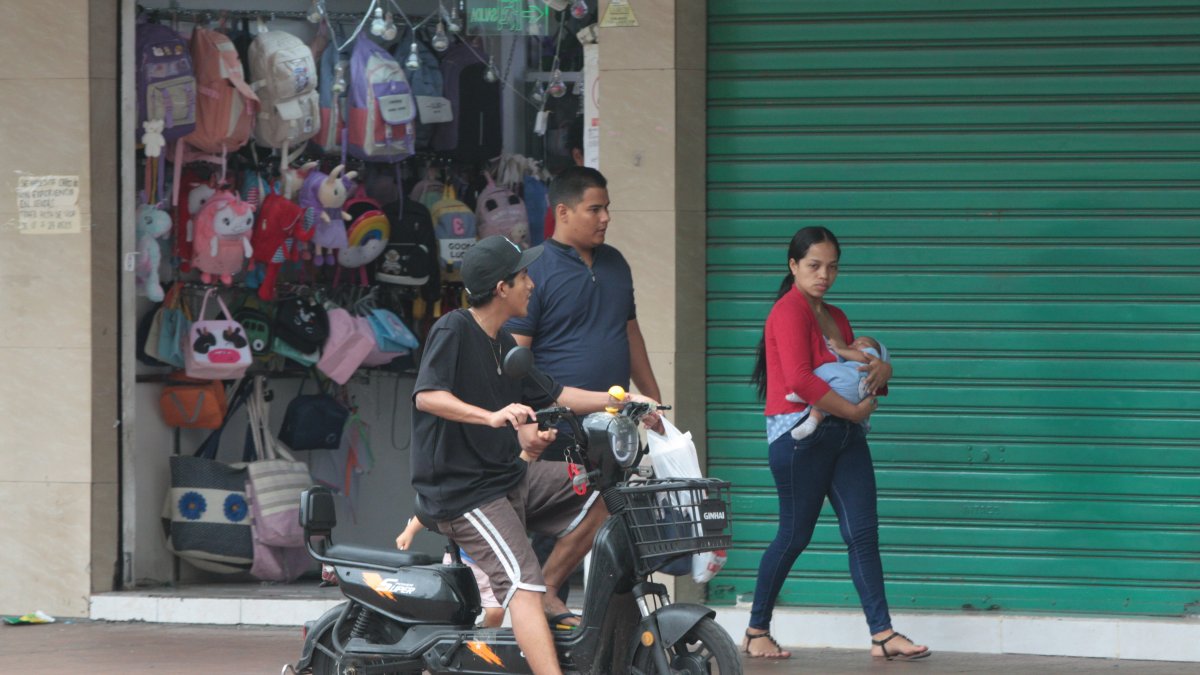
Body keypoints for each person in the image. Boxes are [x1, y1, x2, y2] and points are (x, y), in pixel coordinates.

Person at [410, 235, 659, 675]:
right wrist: (489, 416)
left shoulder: (504, 342)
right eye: (524, 276)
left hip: (506, 477)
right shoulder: (454, 328)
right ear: (502, 287)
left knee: (605, 494)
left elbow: (558, 393)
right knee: (522, 582)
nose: (532, 285)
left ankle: (551, 592)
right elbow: (428, 396)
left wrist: (621, 401)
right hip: (464, 492)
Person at [745, 226, 930, 662]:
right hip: (800, 438)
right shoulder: (788, 312)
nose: (823, 274)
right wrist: (856, 412)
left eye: (831, 266)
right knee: (793, 535)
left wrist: (883, 374)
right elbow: (799, 380)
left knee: (863, 533)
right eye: (813, 265)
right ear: (793, 267)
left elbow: (855, 379)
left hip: (845, 435)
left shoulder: (838, 316)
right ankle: (756, 630)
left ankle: (882, 635)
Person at [507, 165, 662, 601]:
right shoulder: (535, 268)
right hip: (553, 426)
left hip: (611, 430)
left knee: (603, 517)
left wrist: (653, 394)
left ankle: (558, 609)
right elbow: (515, 354)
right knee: (547, 530)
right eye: (595, 209)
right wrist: (523, 422)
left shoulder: (615, 264)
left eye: (607, 208)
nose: (605, 218)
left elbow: (629, 331)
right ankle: (534, 611)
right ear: (563, 212)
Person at [395, 516, 504, 628]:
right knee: (450, 609)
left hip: (494, 566)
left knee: (496, 613)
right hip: (461, 561)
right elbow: (427, 510)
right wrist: (409, 532)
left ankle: (481, 639)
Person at [786, 335, 889, 440]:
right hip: (853, 397)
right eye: (854, 343)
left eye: (862, 343)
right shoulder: (852, 362)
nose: (855, 344)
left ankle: (805, 394)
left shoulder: (873, 354)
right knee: (825, 405)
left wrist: (839, 349)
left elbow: (864, 357)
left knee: (825, 370)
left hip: (849, 380)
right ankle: (811, 422)